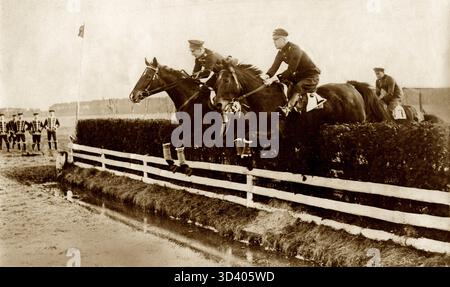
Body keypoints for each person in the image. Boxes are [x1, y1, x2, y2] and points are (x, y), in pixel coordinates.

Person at [261, 28, 325, 117]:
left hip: (311, 76)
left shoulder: (295, 49)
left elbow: (291, 70)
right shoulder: (281, 52)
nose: (274, 42)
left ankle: (287, 108)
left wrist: (275, 78)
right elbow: (274, 66)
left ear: (283, 39)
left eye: (276, 39)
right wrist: (266, 76)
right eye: (273, 40)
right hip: (299, 76)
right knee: (284, 86)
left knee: (298, 86)